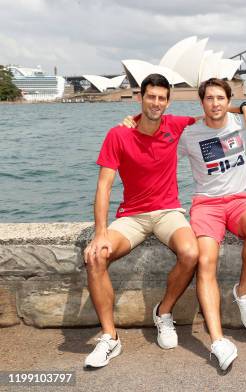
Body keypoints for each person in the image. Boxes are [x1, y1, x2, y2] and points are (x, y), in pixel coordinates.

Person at [83, 73, 200, 368]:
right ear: (140, 97)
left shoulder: (175, 125)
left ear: (168, 101)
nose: (156, 103)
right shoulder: (118, 134)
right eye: (151, 97)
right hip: (132, 216)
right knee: (97, 256)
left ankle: (163, 312)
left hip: (167, 212)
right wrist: (100, 233)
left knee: (190, 253)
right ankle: (110, 338)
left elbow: (215, 112)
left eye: (162, 98)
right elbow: (104, 186)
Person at [177, 78, 246, 370]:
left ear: (229, 101)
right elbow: (155, 144)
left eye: (220, 98)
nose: (215, 103)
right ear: (201, 102)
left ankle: (242, 292)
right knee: (205, 260)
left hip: (241, 200)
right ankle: (217, 340)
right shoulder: (189, 134)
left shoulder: (243, 120)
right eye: (209, 98)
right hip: (206, 205)